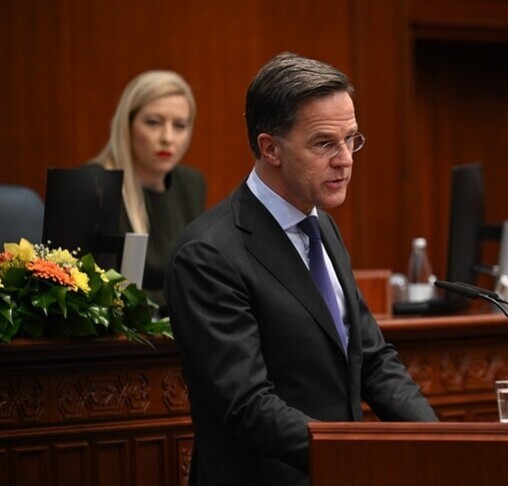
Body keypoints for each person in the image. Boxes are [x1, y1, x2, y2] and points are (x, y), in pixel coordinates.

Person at [166, 52, 438, 486]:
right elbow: (247, 404)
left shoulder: (322, 226)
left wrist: (442, 442)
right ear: (270, 148)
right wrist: (356, 456)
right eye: (325, 143)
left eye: (351, 139)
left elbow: (371, 360)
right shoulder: (208, 254)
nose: (345, 159)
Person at [88, 70, 206, 312]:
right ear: (127, 124)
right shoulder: (95, 185)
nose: (167, 138)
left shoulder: (191, 184)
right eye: (153, 122)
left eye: (180, 125)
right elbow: (92, 291)